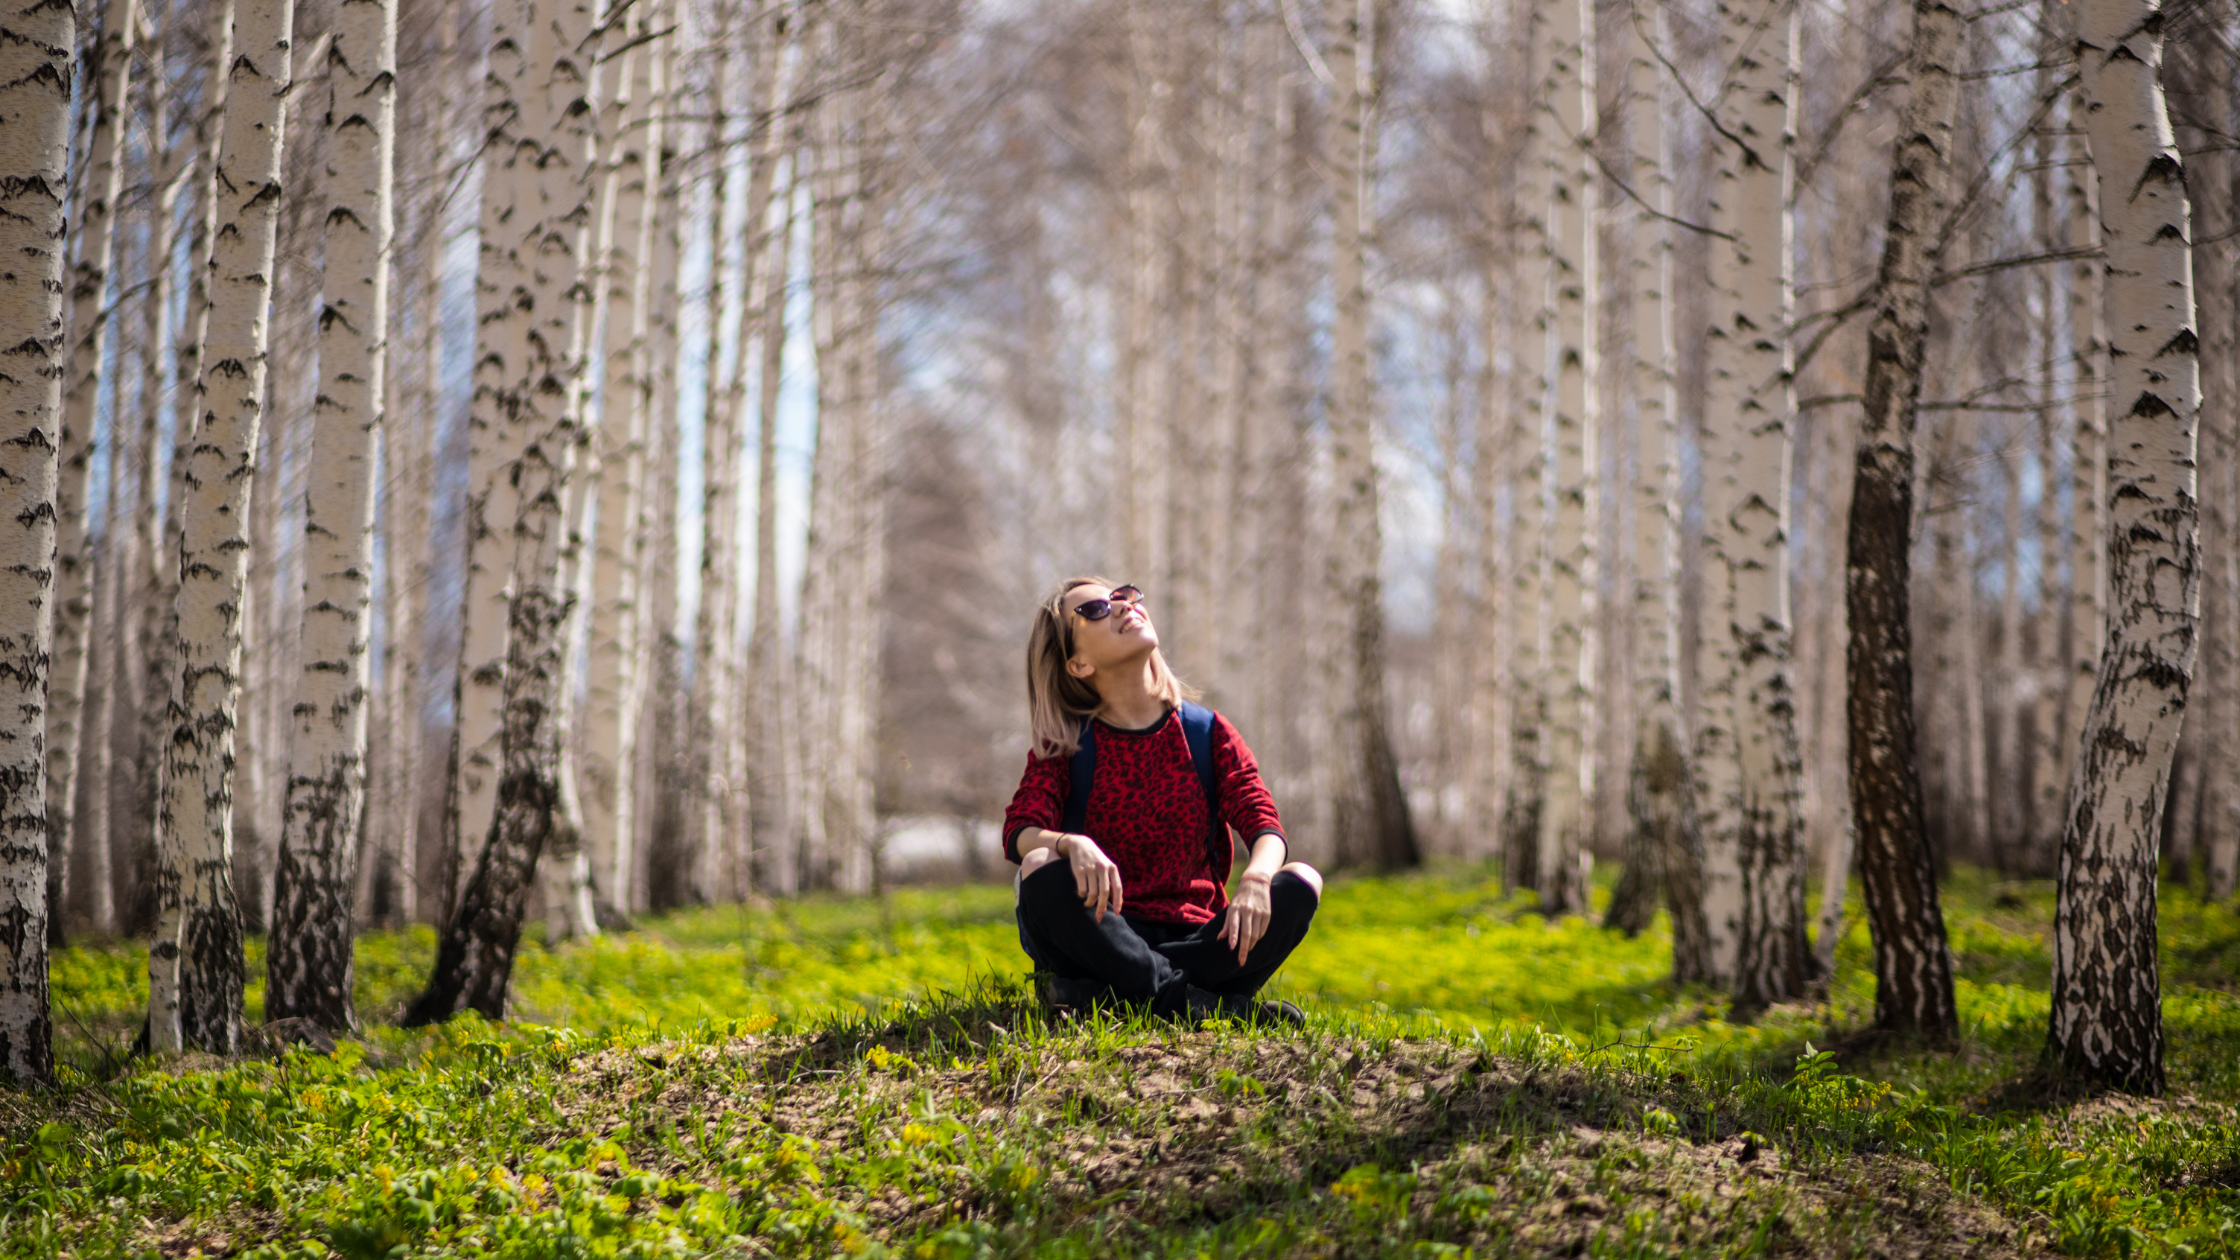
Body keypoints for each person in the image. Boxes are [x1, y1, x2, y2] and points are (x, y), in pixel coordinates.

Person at [1002, 576, 1322, 1023]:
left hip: (1200, 941)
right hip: (1103, 935)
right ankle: (1199, 1005)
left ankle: (1108, 996)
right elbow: (1019, 831)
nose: (1120, 606)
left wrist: (1255, 879)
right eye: (1094, 610)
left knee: (1302, 880)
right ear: (1077, 665)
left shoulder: (1207, 733)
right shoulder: (1066, 743)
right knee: (1039, 865)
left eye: (1123, 596)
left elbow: (1263, 822)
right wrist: (1069, 843)